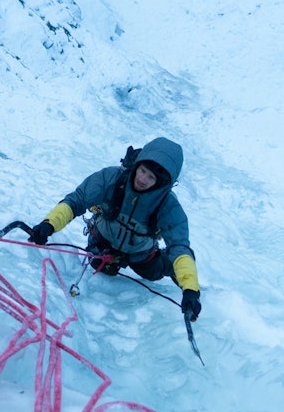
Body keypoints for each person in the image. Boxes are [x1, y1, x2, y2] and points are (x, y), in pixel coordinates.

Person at [26, 137, 201, 321]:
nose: (142, 179)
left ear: (162, 183)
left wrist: (190, 289)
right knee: (103, 269)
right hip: (102, 242)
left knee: (153, 273)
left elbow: (180, 247)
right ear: (137, 164)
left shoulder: (168, 206)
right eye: (142, 171)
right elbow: (76, 200)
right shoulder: (111, 178)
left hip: (140, 253)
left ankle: (169, 266)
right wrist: (49, 224)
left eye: (151, 177)